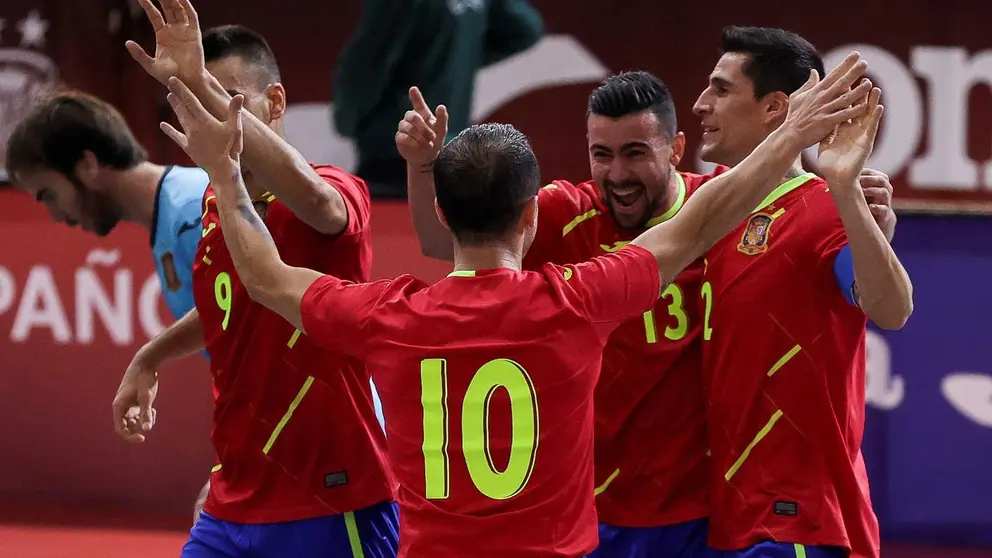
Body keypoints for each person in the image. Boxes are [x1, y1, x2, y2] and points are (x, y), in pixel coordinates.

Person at [163, 46, 875, 556]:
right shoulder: (576, 301)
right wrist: (793, 138)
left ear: (440, 213)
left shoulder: (392, 318)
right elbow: (698, 222)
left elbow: (264, 276)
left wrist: (225, 172)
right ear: (533, 218)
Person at [403, 71, 896, 556]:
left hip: (698, 513)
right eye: (602, 155)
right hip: (593, 509)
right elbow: (440, 243)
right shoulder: (564, 213)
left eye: (635, 153)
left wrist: (860, 208)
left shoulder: (726, 208)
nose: (617, 175)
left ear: (676, 149)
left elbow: (825, 243)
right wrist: (424, 168)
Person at [112, 1, 397, 556]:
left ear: (276, 101)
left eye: (227, 98)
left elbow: (312, 196)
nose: (214, 117)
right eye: (199, 100)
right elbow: (231, 306)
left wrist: (195, 76)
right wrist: (151, 355)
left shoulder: (334, 194)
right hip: (234, 501)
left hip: (334, 501)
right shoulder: (218, 204)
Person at [690, 26, 913, 558]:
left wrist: (844, 191)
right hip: (730, 519)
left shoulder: (822, 206)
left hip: (794, 525)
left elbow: (892, 308)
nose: (700, 104)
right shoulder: (703, 213)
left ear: (775, 109)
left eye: (721, 90)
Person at [5, 90, 208, 321]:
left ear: (87, 164)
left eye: (49, 195)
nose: (56, 216)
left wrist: (149, 357)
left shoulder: (193, 210)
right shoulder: (167, 221)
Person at [333, 0, 543, 198]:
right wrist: (461, 60)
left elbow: (366, 63)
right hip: (450, 156)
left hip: (392, 153)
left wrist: (347, 119)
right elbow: (526, 28)